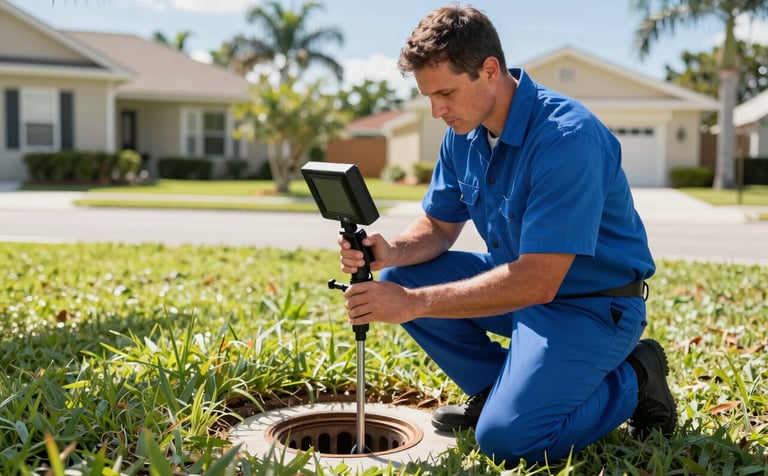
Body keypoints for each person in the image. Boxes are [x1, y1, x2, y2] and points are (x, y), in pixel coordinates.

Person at [338, 4, 677, 466]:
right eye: (428, 97)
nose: (437, 110)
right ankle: (500, 392)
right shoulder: (464, 132)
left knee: (508, 441)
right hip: (520, 289)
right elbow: (438, 227)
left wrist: (411, 305)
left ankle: (635, 376)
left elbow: (539, 281)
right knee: (402, 271)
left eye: (446, 93)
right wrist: (390, 249)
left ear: (489, 70)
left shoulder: (567, 139)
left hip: (591, 304)